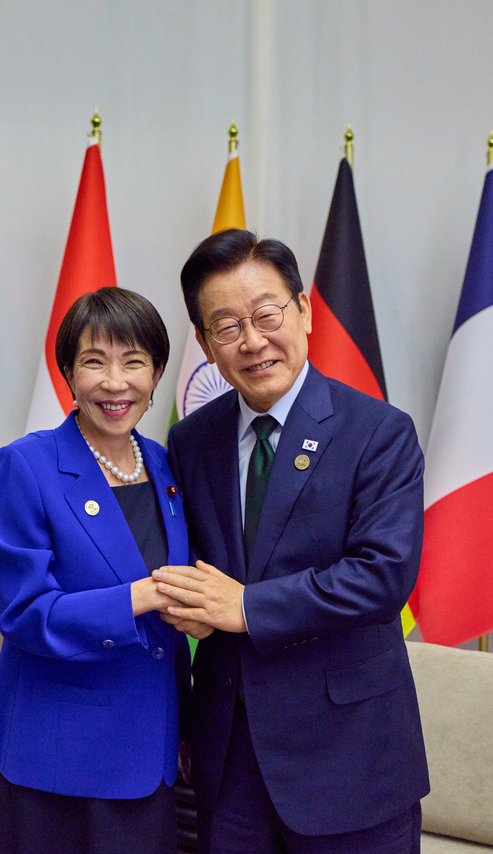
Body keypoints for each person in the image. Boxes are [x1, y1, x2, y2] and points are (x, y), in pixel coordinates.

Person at [158, 229, 429, 854]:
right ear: (204, 344)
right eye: (226, 326)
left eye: (266, 314)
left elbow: (383, 577)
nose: (252, 341)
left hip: (350, 755)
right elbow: (185, 572)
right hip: (229, 761)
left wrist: (245, 608)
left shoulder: (378, 432)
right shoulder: (191, 441)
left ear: (302, 310)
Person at [0, 287, 193, 854]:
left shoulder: (168, 467)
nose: (115, 383)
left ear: (158, 373)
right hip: (59, 757)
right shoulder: (26, 465)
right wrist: (140, 597)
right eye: (95, 361)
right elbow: (25, 614)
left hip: (152, 753)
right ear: (68, 373)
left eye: (134, 362)